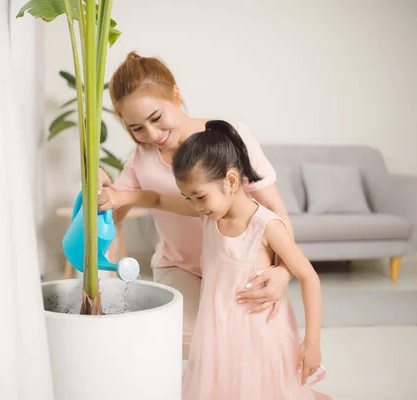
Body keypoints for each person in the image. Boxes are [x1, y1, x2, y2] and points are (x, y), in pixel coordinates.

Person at [99, 120, 329, 399]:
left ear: (231, 181)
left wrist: (312, 342)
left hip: (261, 339)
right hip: (219, 333)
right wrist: (119, 197)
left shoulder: (266, 226)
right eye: (188, 198)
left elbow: (309, 277)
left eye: (199, 197)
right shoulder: (209, 214)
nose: (195, 206)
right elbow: (156, 200)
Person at [99, 51, 293, 359]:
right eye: (136, 128)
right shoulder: (140, 159)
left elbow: (276, 211)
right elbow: (114, 216)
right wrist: (103, 189)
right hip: (180, 267)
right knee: (195, 349)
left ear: (175, 94)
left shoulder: (230, 136)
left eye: (156, 118)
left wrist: (283, 272)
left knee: (248, 350)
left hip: (240, 267)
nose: (152, 135)